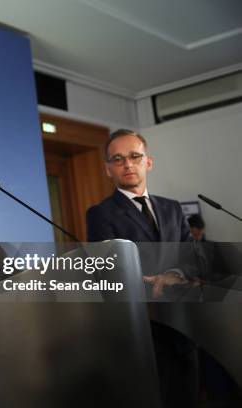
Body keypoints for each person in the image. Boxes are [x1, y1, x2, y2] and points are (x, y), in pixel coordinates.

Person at [86, 129, 199, 407]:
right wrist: (155, 280)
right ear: (107, 169)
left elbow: (191, 254)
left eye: (135, 156)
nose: (128, 164)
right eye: (118, 158)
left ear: (148, 162)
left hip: (185, 325)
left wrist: (176, 275)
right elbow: (110, 269)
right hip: (143, 330)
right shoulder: (100, 214)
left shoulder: (172, 209)